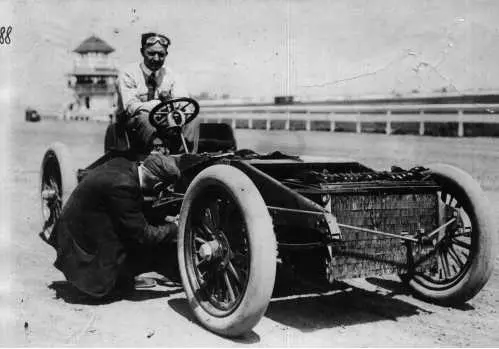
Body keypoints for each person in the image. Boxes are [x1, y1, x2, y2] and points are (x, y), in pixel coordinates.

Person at [47, 152, 181, 299]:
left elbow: (134, 210)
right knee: (150, 243)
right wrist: (175, 226)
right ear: (158, 185)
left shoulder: (123, 164)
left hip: (79, 230)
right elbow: (143, 235)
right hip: (81, 250)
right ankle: (119, 279)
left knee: (146, 230)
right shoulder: (123, 185)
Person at [116, 32, 199, 154]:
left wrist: (176, 106)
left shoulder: (171, 75)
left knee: (192, 119)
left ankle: (187, 158)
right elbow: (130, 106)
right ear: (142, 52)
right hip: (133, 125)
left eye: (161, 54)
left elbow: (182, 99)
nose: (156, 58)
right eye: (151, 53)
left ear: (166, 54)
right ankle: (153, 158)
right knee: (145, 117)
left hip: (165, 120)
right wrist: (158, 104)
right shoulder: (128, 73)